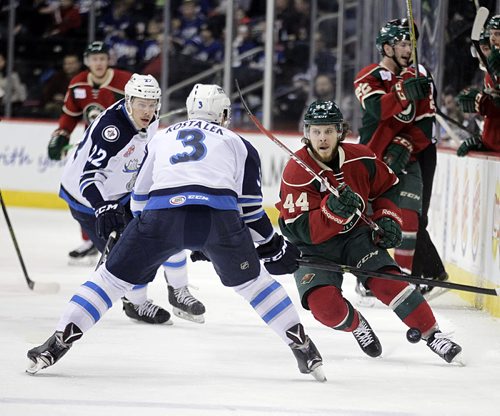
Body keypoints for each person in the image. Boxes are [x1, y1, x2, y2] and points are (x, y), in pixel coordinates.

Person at [26, 83, 325, 382]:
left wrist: (152, 233)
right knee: (256, 285)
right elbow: (250, 211)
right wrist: (273, 246)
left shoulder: (162, 137)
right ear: (222, 113)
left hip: (161, 217)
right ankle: (304, 348)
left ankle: (57, 343)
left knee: (109, 280)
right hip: (218, 220)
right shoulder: (240, 143)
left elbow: (140, 198)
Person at [276, 99, 463, 364]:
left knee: (391, 283)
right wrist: (332, 213)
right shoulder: (296, 171)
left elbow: (388, 187)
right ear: (306, 133)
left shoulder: (361, 157)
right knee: (325, 308)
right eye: (316, 131)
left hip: (356, 237)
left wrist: (387, 218)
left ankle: (433, 335)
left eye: (329, 130)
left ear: (340, 131)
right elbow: (299, 230)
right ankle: (357, 325)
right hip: (313, 247)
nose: (322, 137)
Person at [58, 73, 205, 324]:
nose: (147, 111)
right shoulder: (112, 130)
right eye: (141, 104)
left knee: (169, 225)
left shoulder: (152, 118)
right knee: (128, 251)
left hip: (124, 192)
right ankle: (135, 303)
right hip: (88, 199)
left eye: (152, 104)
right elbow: (89, 179)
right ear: (128, 101)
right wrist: (102, 207)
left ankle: (178, 290)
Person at [353, 18, 448, 298]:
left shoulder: (418, 75)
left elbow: (424, 122)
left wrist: (407, 143)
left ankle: (414, 276)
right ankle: (368, 274)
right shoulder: (370, 75)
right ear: (387, 47)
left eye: (412, 44)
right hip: (372, 156)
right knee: (367, 217)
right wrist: (403, 89)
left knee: (413, 217)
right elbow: (378, 111)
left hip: (411, 155)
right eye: (403, 44)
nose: (409, 50)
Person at [47, 41, 132, 265]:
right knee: (84, 190)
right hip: (91, 146)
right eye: (95, 59)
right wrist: (61, 134)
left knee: (116, 193)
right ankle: (91, 240)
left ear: (109, 60)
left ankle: (119, 237)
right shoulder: (77, 83)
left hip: (123, 147)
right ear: (87, 62)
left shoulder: (125, 81)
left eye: (103, 58)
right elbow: (70, 114)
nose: (99, 63)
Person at [457, 18, 500, 156]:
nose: (493, 39)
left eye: (498, 34)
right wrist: (484, 140)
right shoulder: (491, 70)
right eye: (491, 34)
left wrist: (482, 102)